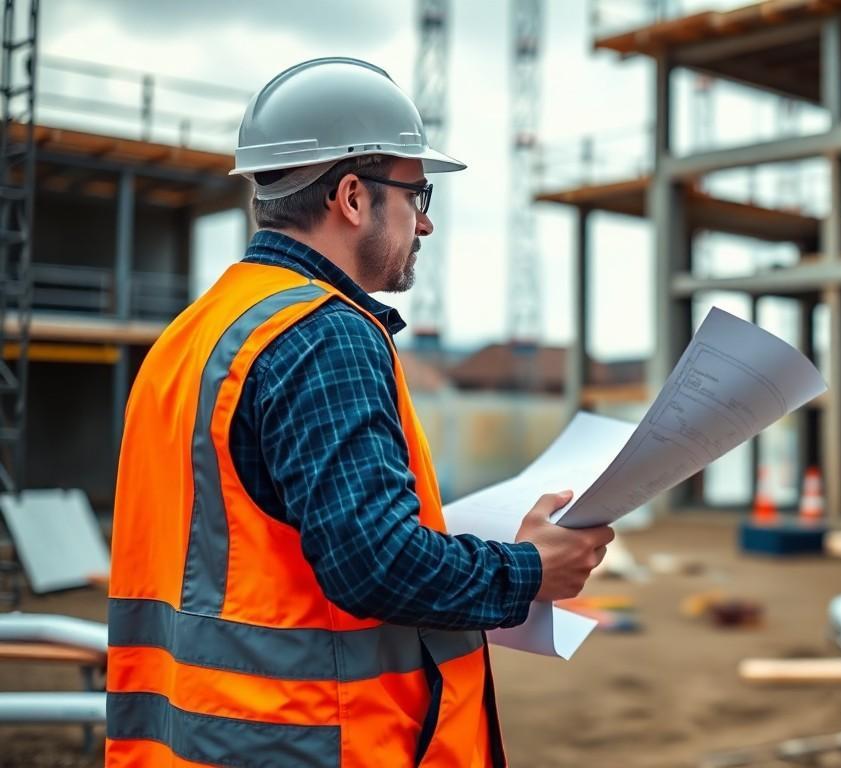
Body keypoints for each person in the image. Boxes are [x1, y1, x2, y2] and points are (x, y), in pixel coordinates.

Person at [105, 57, 613, 767]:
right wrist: (530, 571)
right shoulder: (323, 333)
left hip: (196, 741)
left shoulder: (196, 334)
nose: (426, 222)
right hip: (309, 740)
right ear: (350, 196)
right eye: (416, 193)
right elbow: (372, 564)